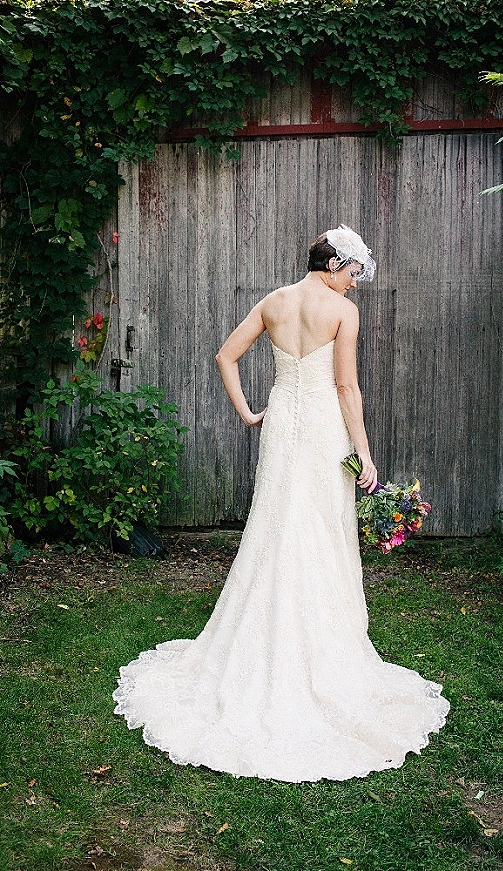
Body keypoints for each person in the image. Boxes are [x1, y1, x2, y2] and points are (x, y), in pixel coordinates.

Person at [113, 225, 450, 782]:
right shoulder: (341, 312)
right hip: (321, 429)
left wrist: (249, 413)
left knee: (275, 523)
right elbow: (346, 388)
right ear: (335, 266)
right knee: (319, 527)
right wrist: (365, 454)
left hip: (281, 423)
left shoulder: (274, 301)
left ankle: (265, 631)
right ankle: (317, 646)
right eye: (354, 273)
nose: (356, 284)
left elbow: (226, 356)